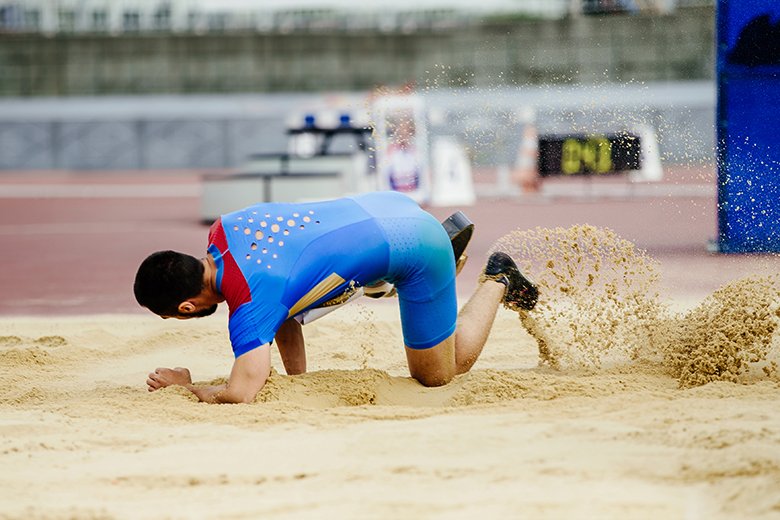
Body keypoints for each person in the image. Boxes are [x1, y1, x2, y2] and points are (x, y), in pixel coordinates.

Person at [134, 191, 538, 404]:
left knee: (439, 374)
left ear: (187, 307)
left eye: (178, 317)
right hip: (385, 205)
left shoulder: (250, 302)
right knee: (310, 284)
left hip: (414, 247)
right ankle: (385, 277)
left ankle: (498, 278)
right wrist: (298, 383)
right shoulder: (223, 230)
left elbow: (242, 391)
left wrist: (184, 387)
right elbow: (283, 314)